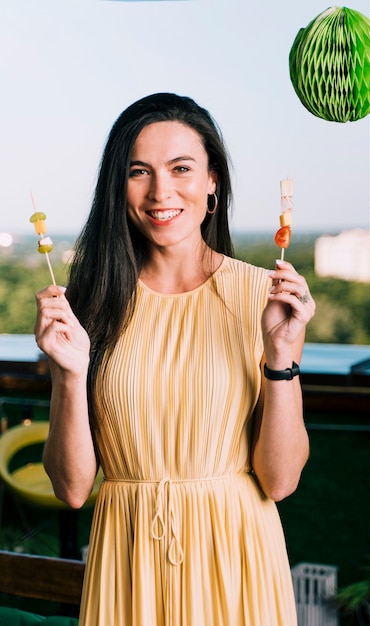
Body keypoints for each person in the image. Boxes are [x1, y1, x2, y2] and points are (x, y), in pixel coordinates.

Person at [34, 92, 315, 626]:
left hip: (237, 566)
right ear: (119, 186)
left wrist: (281, 356)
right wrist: (69, 378)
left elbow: (278, 482)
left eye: (181, 168)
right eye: (139, 171)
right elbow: (72, 490)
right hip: (127, 564)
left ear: (212, 180)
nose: (162, 191)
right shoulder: (88, 306)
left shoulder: (265, 298)